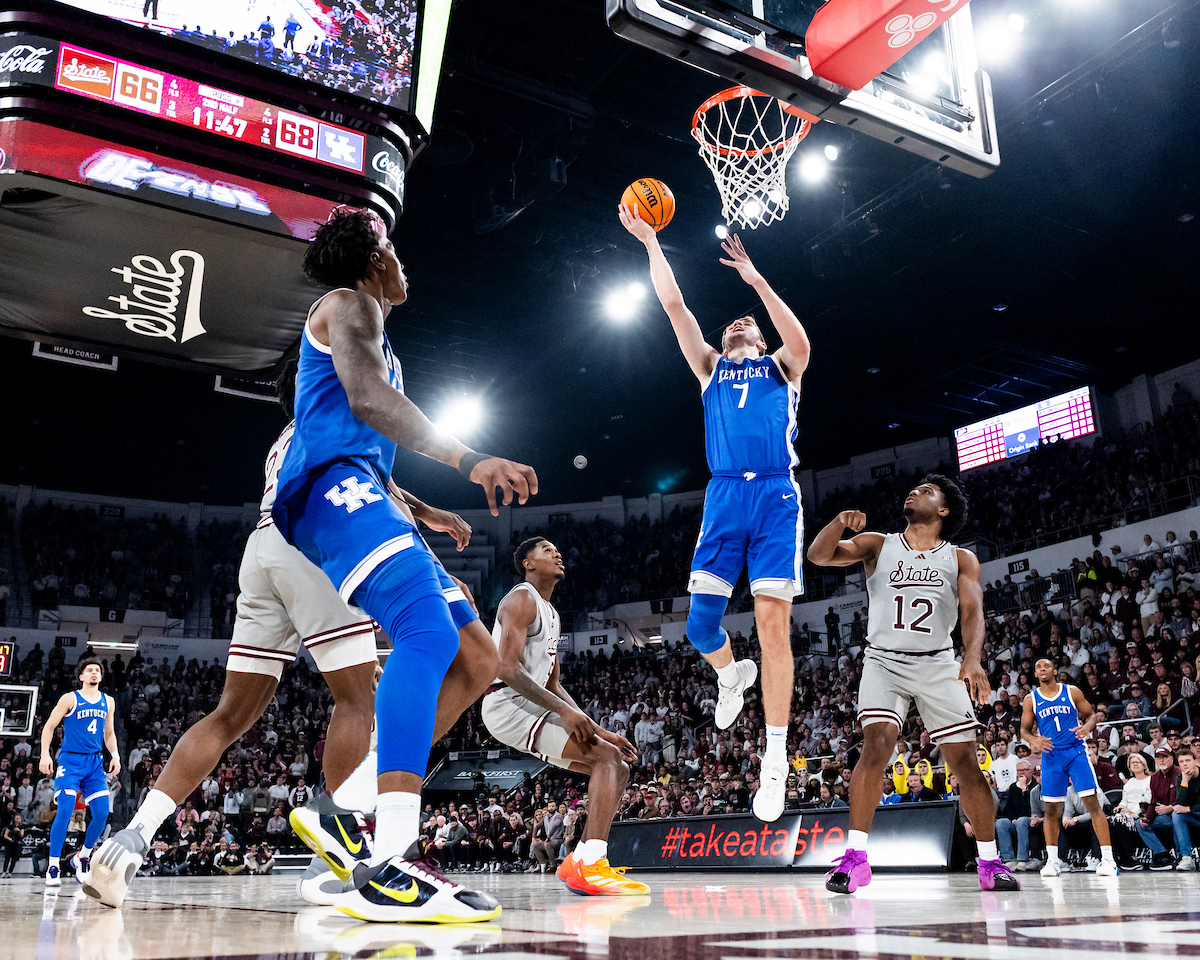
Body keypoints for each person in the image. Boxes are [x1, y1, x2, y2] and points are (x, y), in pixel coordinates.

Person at [86, 344, 502, 912]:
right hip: (312, 542)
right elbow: (361, 471)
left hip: (261, 549)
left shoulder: (292, 433)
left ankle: (134, 836)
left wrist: (424, 510)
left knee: (230, 714)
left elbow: (367, 473)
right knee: (357, 697)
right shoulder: (340, 403)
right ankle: (343, 848)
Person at [270, 207, 536, 923]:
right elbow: (365, 402)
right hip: (332, 490)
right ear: (373, 260)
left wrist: (423, 509)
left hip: (364, 488)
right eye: (394, 250)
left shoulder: (373, 332)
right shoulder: (348, 303)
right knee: (426, 634)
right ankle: (390, 857)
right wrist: (468, 459)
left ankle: (344, 808)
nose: (403, 264)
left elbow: (364, 432)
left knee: (477, 658)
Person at [619, 207, 811, 824]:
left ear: (759, 340)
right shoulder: (711, 368)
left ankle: (775, 760)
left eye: (746, 323)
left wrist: (756, 282)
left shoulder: (781, 367)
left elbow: (802, 344)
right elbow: (674, 306)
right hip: (724, 497)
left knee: (773, 627)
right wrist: (651, 242)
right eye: (733, 322)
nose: (736, 323)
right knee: (701, 629)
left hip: (775, 496)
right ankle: (731, 675)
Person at [806, 478, 1020, 893]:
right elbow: (819, 555)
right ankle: (855, 859)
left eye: (926, 490)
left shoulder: (961, 558)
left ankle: (990, 862)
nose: (914, 491)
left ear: (943, 510)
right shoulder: (878, 544)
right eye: (915, 488)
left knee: (966, 765)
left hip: (938, 662)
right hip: (884, 660)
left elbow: (973, 611)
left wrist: (972, 657)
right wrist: (837, 522)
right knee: (876, 745)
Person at [483, 537, 646, 895]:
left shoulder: (552, 613)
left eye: (557, 550)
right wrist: (563, 712)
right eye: (546, 550)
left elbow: (553, 683)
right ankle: (592, 865)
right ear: (527, 564)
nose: (557, 553)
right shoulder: (521, 599)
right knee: (607, 758)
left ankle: (580, 861)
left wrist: (600, 731)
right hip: (506, 703)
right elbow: (507, 668)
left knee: (618, 767)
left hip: (533, 703)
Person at [1021, 658, 1118, 876]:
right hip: (1051, 756)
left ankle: (1108, 860)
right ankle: (1053, 861)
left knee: (1093, 804)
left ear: (1055, 671)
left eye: (1046, 666)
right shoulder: (1031, 699)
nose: (1042, 669)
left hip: (1076, 752)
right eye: (1038, 667)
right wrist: (1033, 739)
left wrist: (1087, 728)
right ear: (1035, 674)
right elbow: (1024, 730)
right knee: (1051, 810)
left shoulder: (1071, 691)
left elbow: (1092, 715)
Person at [38, 656, 119, 887]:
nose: (94, 673)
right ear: (81, 676)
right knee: (65, 810)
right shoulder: (70, 698)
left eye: (97, 670)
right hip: (70, 761)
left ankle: (83, 856)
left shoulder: (108, 701)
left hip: (94, 763)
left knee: (101, 813)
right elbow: (49, 726)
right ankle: (53, 866)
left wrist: (115, 754)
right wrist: (45, 754)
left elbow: (109, 733)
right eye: (90, 670)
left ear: (101, 676)